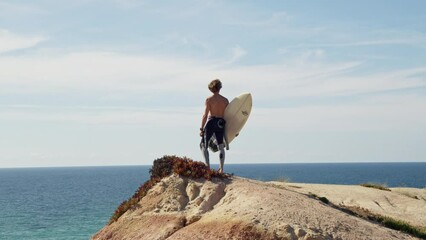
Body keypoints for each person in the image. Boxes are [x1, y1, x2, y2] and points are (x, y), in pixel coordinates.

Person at [200, 79, 229, 173]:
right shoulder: (225, 100)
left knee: (203, 144)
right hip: (221, 122)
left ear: (212, 88)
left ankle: (207, 167)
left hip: (212, 121)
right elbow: (229, 116)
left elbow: (205, 115)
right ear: (219, 88)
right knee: (221, 146)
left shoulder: (209, 100)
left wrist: (201, 128)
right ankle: (221, 168)